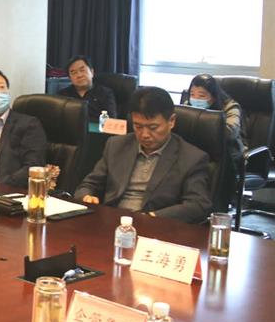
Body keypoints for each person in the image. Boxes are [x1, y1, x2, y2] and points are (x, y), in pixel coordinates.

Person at [76, 87, 212, 223]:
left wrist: (153, 217)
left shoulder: (191, 158)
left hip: (156, 226)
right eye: (138, 126)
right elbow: (89, 184)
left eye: (153, 128)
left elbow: (198, 205)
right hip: (112, 221)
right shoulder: (116, 145)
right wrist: (87, 196)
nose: (145, 134)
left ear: (171, 121)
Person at [184, 74, 246, 165]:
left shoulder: (230, 107)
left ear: (214, 97)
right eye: (192, 94)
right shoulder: (188, 105)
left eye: (201, 96)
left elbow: (229, 134)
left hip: (228, 154)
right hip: (197, 152)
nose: (195, 99)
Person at [57, 55, 117, 123]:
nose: (79, 75)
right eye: (74, 72)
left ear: (92, 72)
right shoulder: (62, 95)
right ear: (70, 78)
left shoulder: (105, 93)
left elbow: (112, 121)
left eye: (82, 70)